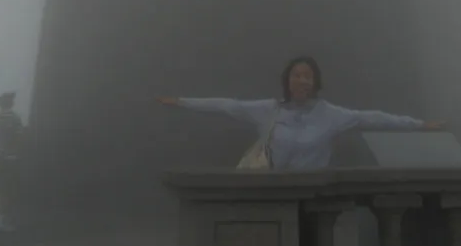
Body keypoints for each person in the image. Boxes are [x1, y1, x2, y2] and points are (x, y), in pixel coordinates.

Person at [158, 56, 446, 171]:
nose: (302, 81)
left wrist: (420, 125)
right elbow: (226, 105)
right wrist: (181, 101)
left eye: (308, 76)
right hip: (272, 195)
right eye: (297, 75)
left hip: (311, 197)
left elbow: (373, 117)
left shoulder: (331, 115)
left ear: (315, 82)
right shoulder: (268, 110)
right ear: (287, 80)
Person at [0, 91, 25, 232]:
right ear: (11, 103)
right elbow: (20, 137)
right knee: (7, 188)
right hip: (11, 157)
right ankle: (3, 220)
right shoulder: (15, 118)